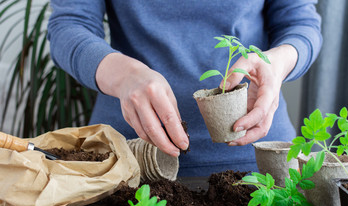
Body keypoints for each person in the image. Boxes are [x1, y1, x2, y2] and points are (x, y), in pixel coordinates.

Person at [47, 1, 322, 176]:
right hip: (128, 160)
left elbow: (300, 24)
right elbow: (69, 25)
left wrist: (278, 62)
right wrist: (124, 75)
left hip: (258, 162)